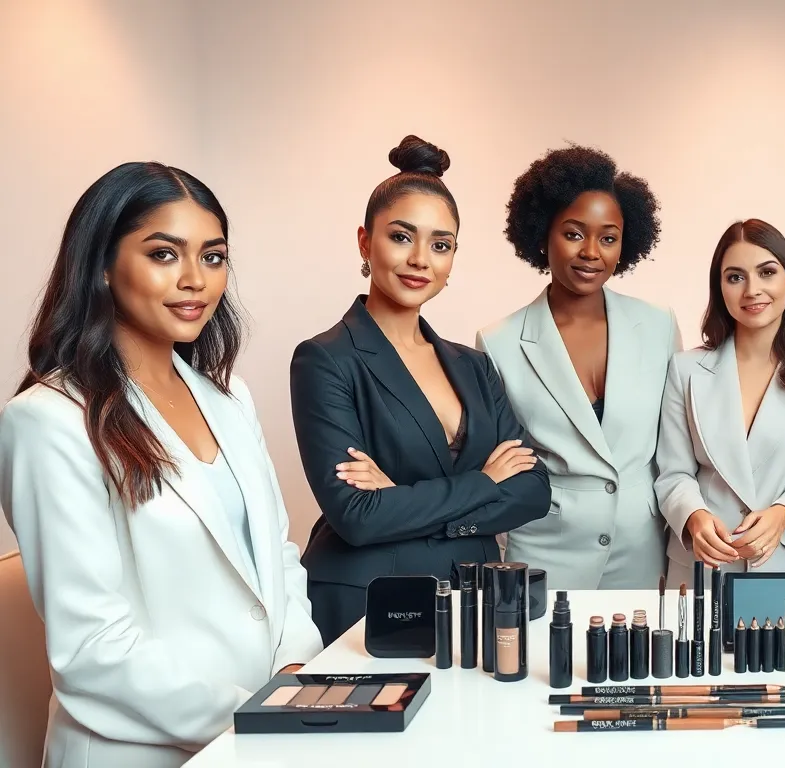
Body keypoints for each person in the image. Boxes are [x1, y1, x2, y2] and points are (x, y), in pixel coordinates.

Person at [0, 162, 322, 768]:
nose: (195, 280)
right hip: (139, 751)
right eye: (164, 254)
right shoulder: (48, 420)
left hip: (263, 731)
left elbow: (276, 554)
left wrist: (294, 670)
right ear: (100, 264)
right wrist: (251, 717)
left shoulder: (230, 397)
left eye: (214, 256)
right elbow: (91, 647)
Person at [291, 136, 550, 645]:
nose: (420, 260)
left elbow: (533, 491)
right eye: (401, 237)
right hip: (370, 602)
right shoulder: (325, 359)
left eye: (440, 245)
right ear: (365, 243)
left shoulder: (474, 365)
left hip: (473, 598)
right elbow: (357, 516)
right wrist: (482, 481)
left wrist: (401, 498)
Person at [477, 144, 680, 590]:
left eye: (608, 238)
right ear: (542, 235)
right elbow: (501, 458)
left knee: (634, 661)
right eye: (573, 233)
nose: (591, 251)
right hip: (544, 546)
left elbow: (675, 445)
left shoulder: (659, 324)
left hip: (641, 548)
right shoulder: (499, 341)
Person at [655, 219, 785, 584]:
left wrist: (783, 513)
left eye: (767, 272)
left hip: (780, 562)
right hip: (699, 563)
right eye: (735, 277)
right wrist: (693, 517)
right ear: (720, 289)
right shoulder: (686, 369)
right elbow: (673, 472)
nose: (752, 290)